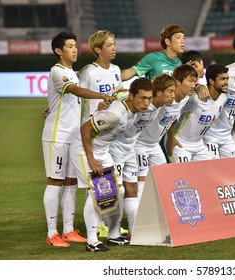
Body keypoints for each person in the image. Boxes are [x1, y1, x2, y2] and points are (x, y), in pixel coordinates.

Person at [42, 31, 114, 247]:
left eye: (75, 45)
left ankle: (69, 230)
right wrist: (102, 95)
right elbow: (74, 90)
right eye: (70, 46)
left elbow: (74, 97)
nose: (75, 49)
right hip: (57, 136)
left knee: (72, 183)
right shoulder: (57, 71)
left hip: (74, 137)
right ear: (58, 51)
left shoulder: (73, 72)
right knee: (56, 182)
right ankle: (52, 233)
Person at [69, 77, 154, 252]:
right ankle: (92, 241)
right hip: (84, 150)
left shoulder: (130, 103)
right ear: (132, 96)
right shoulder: (115, 115)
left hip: (103, 150)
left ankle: (114, 235)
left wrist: (113, 95)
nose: (146, 103)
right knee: (96, 192)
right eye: (142, 98)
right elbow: (85, 128)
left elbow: (121, 93)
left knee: (119, 190)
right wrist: (91, 159)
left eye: (149, 98)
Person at [108, 74, 176, 242]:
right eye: (170, 92)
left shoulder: (157, 106)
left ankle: (134, 231)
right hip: (115, 147)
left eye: (149, 98)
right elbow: (121, 96)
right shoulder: (135, 103)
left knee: (132, 190)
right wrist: (110, 98)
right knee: (115, 190)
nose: (146, 102)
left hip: (130, 147)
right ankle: (110, 232)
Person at [77, 30, 125, 238]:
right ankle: (96, 230)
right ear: (98, 50)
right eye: (110, 45)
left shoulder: (116, 70)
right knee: (98, 186)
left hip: (110, 133)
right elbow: (78, 96)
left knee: (111, 186)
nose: (114, 48)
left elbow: (120, 95)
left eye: (114, 44)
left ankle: (107, 226)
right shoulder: (90, 72)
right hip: (93, 134)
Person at [135, 64, 198, 197]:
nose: (194, 85)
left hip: (154, 145)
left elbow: (172, 119)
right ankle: (137, 214)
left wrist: (171, 137)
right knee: (140, 180)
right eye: (190, 81)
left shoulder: (185, 99)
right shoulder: (160, 100)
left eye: (195, 82)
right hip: (139, 143)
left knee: (163, 179)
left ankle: (158, 211)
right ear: (178, 82)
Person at [168, 64, 228, 163]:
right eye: (223, 79)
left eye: (227, 79)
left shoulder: (223, 98)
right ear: (212, 81)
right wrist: (170, 138)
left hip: (199, 145)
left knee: (210, 173)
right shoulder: (194, 99)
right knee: (184, 177)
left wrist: (198, 86)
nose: (226, 82)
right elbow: (169, 116)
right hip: (181, 144)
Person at [121, 24, 185, 81]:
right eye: (178, 38)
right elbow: (131, 71)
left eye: (183, 38)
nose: (182, 41)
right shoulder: (153, 58)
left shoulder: (179, 63)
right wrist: (113, 75)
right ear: (167, 41)